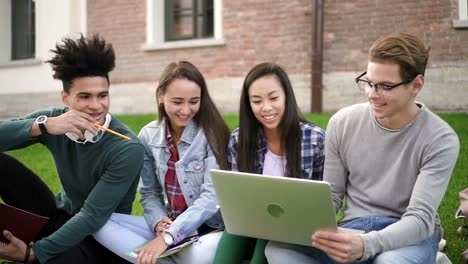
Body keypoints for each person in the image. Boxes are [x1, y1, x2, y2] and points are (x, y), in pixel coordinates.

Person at [265, 32, 460, 264]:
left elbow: (419, 219)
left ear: (416, 84)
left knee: (388, 262)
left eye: (385, 86)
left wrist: (365, 246)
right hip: (353, 229)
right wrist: (300, 219)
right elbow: (333, 195)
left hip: (408, 236)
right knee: (278, 249)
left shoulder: (440, 139)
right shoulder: (342, 122)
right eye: (368, 82)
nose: (372, 94)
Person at [0, 34, 144, 264]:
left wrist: (34, 254)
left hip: (99, 238)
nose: (96, 106)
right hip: (58, 216)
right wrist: (45, 126)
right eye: (85, 96)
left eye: (103, 96)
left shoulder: (127, 148)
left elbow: (92, 216)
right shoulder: (55, 119)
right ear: (65, 97)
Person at [93, 61, 231, 264]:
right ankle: (162, 256)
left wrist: (169, 236)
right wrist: (158, 223)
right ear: (160, 96)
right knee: (99, 222)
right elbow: (149, 193)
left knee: (200, 256)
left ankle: (157, 254)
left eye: (194, 101)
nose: (185, 110)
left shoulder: (212, 134)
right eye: (177, 102)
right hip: (172, 225)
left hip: (210, 229)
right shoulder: (148, 135)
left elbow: (211, 199)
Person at [213, 62, 325, 264]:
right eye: (256, 101)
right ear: (248, 104)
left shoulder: (314, 139)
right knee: (224, 256)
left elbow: (324, 200)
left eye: (274, 98)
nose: (266, 108)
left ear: (287, 97)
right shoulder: (239, 140)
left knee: (260, 257)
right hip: (248, 223)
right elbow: (235, 200)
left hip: (291, 227)